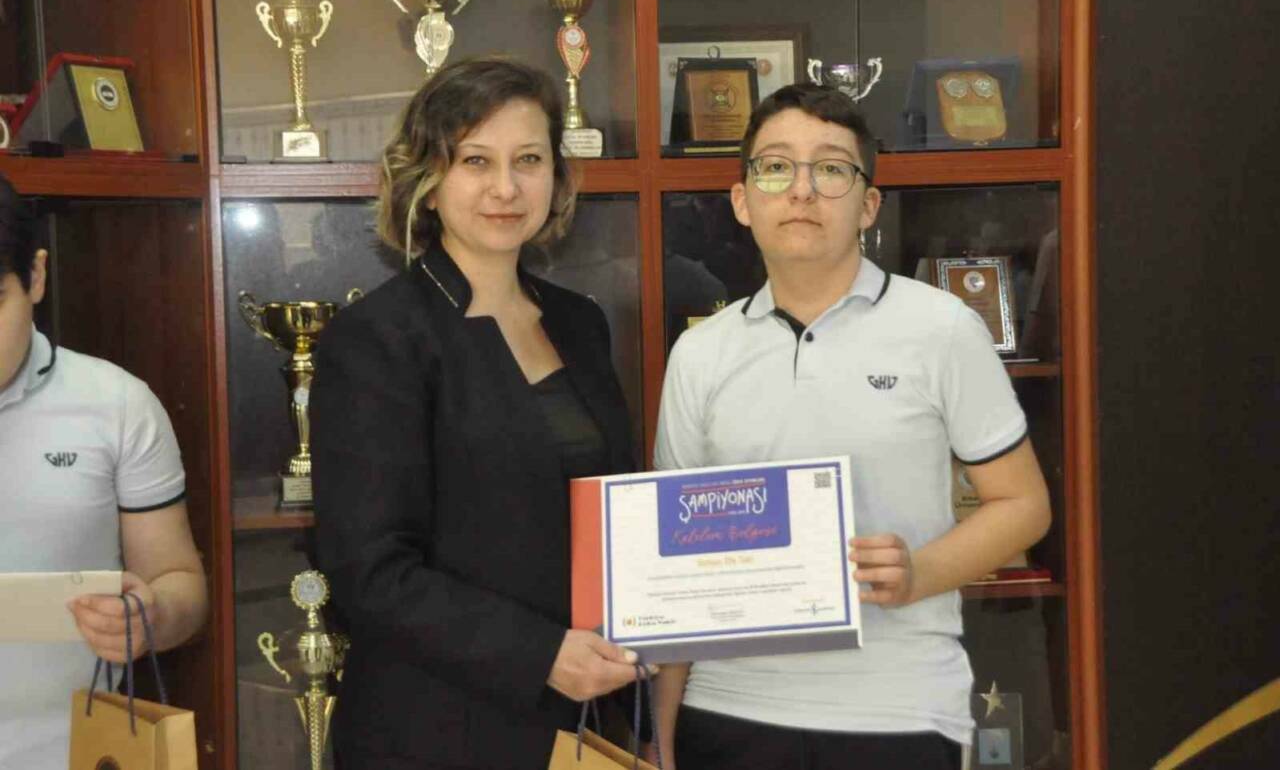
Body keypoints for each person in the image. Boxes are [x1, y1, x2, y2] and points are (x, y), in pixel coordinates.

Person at [649, 84, 1052, 770]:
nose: (801, 189)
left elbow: (1024, 505)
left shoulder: (943, 329)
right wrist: (660, 739)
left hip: (897, 710)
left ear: (868, 205)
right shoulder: (699, 353)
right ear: (742, 200)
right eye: (776, 166)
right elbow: (677, 561)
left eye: (832, 168)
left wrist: (919, 573)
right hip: (727, 707)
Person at [310, 58, 648, 770]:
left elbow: (611, 511)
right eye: (475, 160)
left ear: (557, 175)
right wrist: (541, 654)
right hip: (432, 731)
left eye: (529, 159)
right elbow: (370, 570)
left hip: (579, 720)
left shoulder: (580, 323)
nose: (506, 187)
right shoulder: (376, 339)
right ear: (428, 182)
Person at [0, 175, 208, 769]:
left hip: (73, 753)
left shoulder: (115, 404)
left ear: (36, 276)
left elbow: (180, 583)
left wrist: (151, 615)